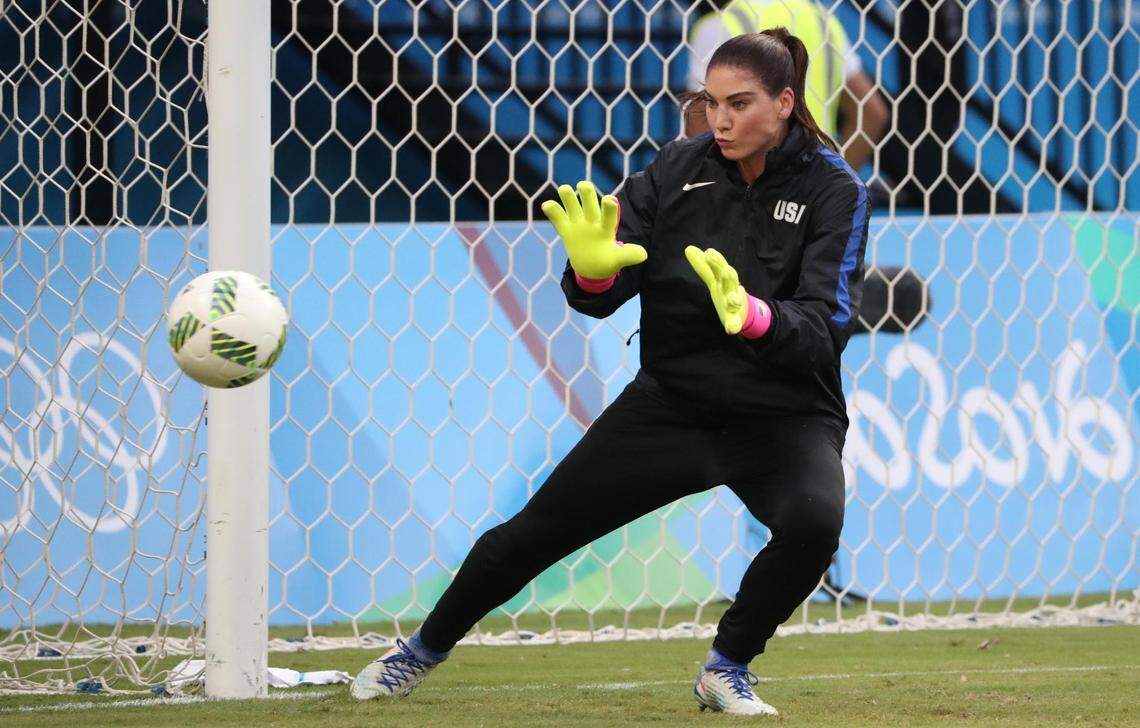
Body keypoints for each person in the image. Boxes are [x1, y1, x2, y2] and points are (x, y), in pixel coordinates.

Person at [351, 27, 869, 717]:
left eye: (739, 103)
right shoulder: (677, 168)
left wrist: (754, 318)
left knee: (814, 523)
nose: (719, 118)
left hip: (785, 410)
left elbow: (827, 325)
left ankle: (728, 666)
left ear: (784, 101)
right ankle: (418, 652)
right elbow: (598, 292)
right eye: (709, 101)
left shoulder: (836, 189)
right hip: (673, 404)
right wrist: (592, 277)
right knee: (531, 537)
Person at [685, 0, 888, 173]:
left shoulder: (720, 24)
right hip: (809, 193)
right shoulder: (823, 21)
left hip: (750, 195)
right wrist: (833, 181)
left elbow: (699, 124)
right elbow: (871, 113)